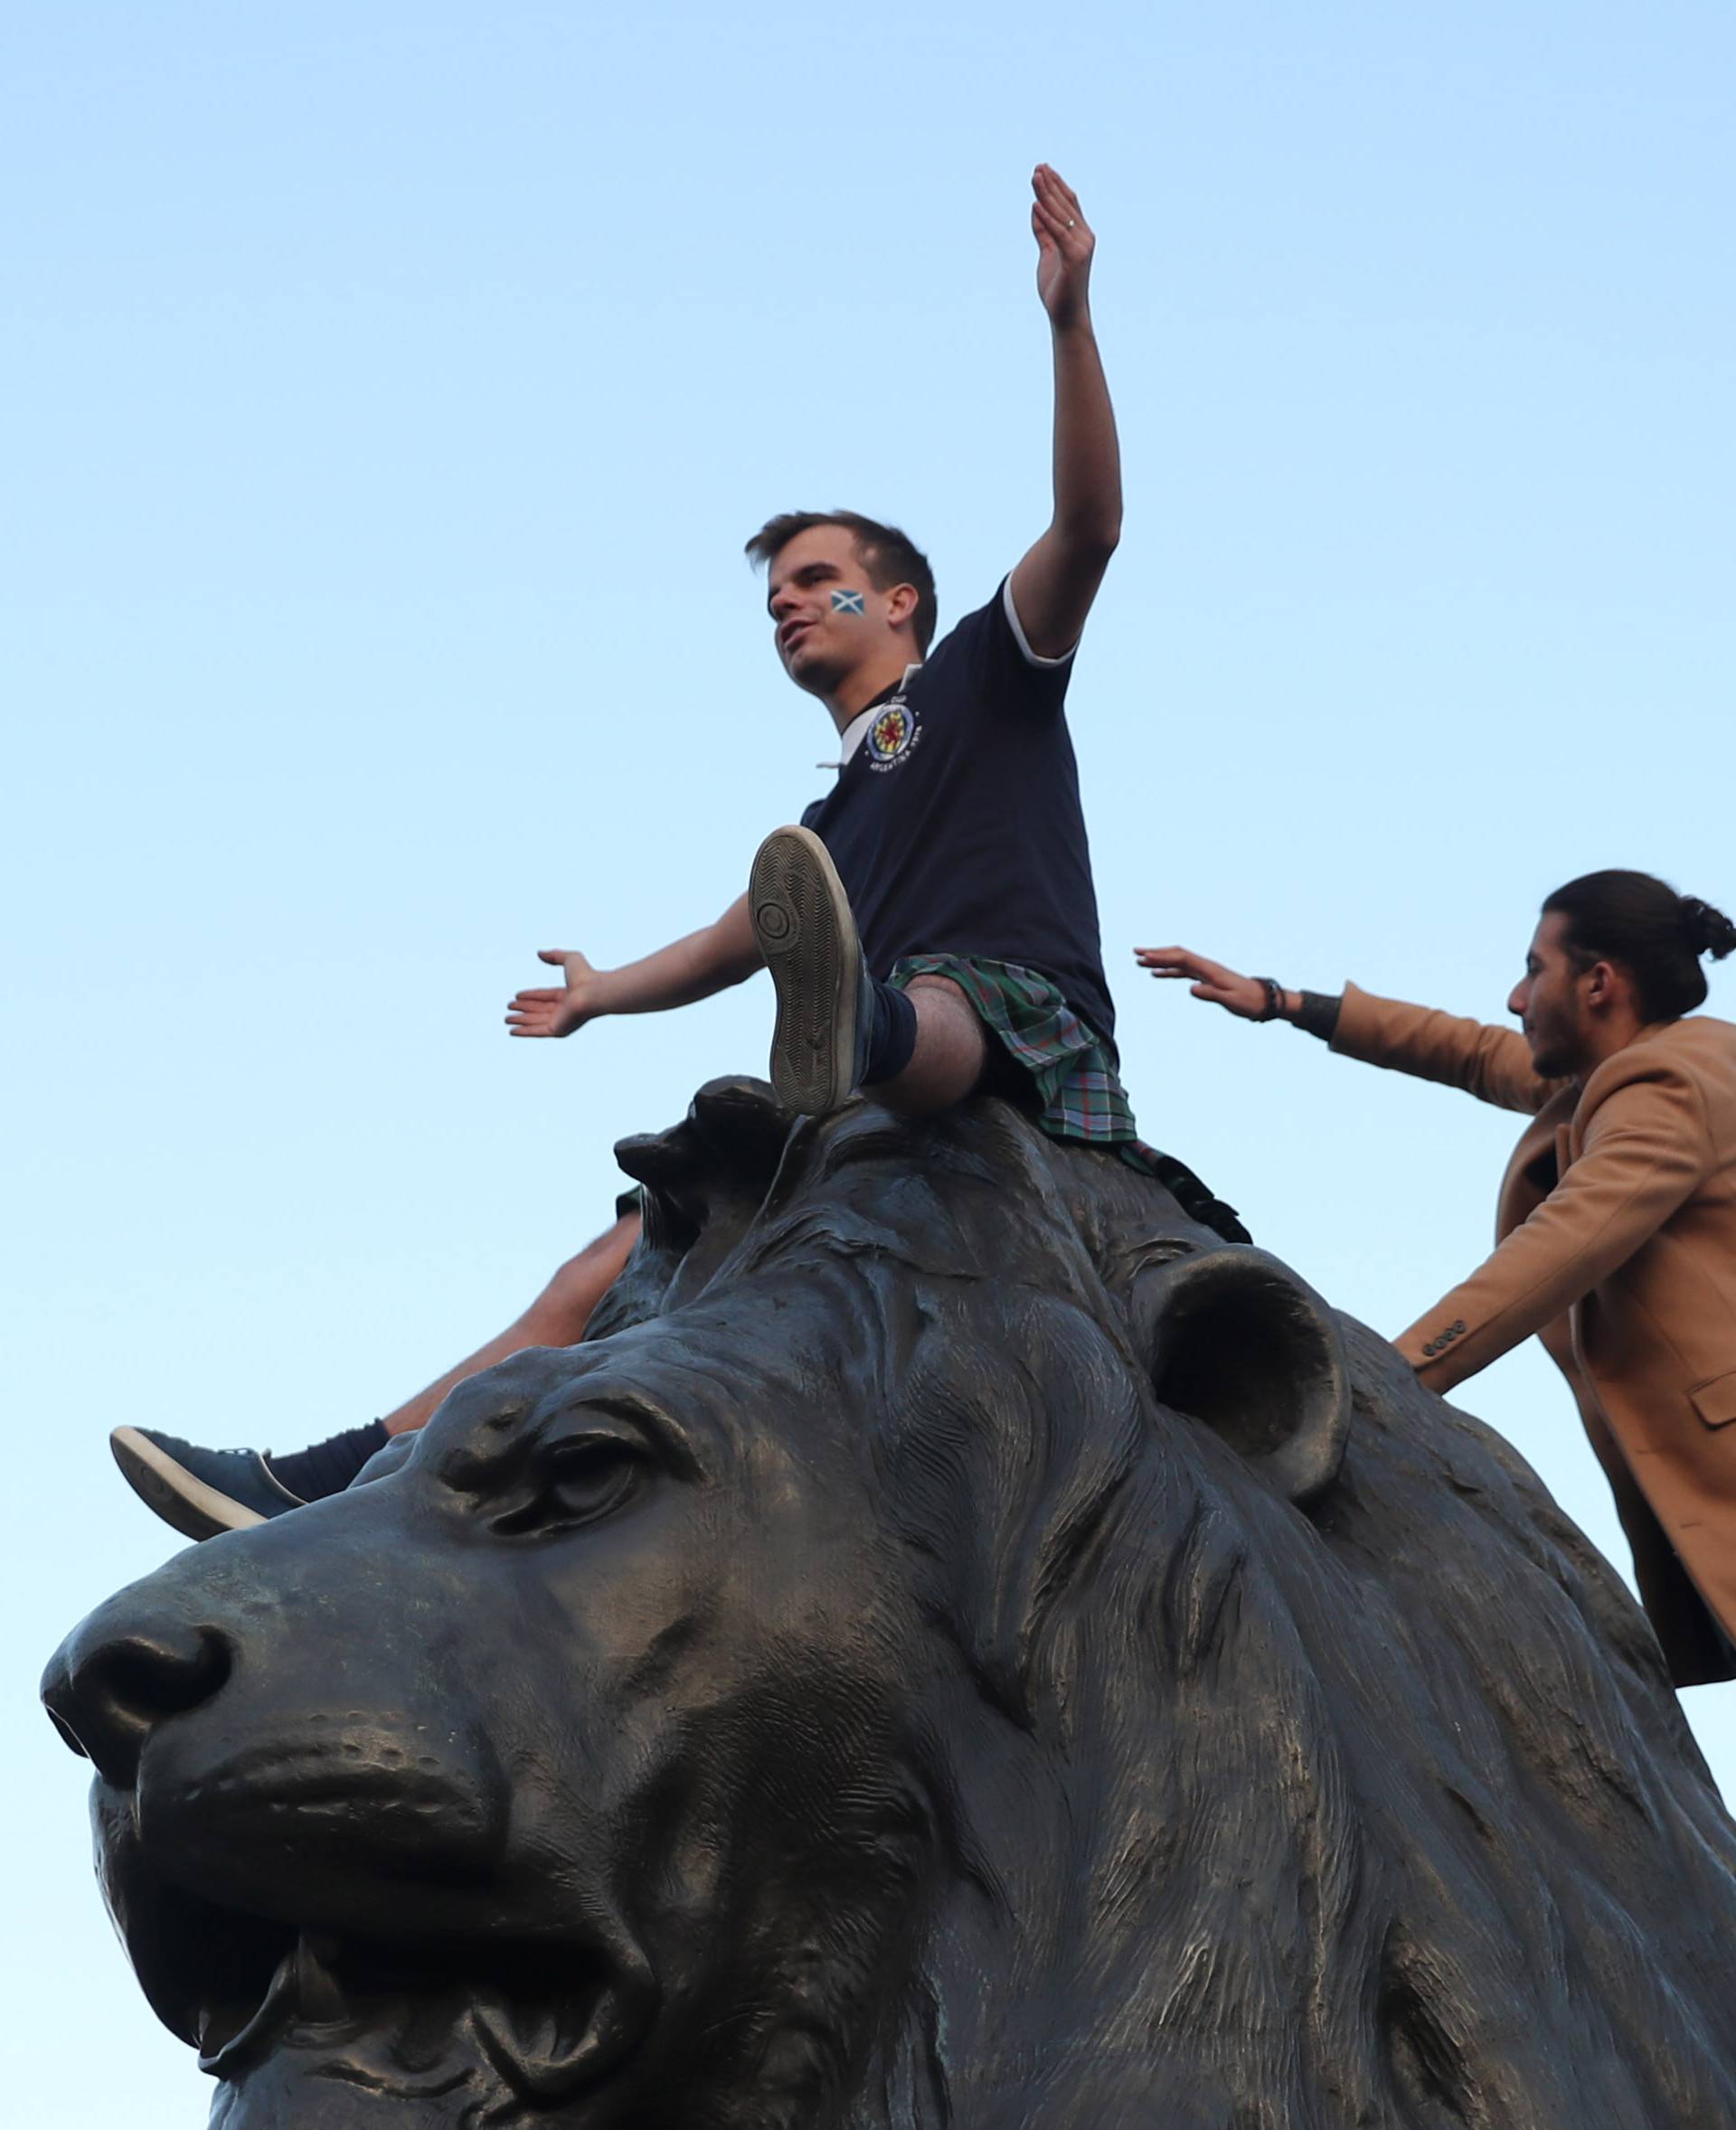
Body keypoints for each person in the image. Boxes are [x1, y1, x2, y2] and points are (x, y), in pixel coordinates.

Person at [116, 165, 1237, 1547]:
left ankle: (869, 1028)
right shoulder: (822, 833)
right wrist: (599, 993)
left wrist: (1069, 325)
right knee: (599, 1269)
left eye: (813, 579)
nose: (784, 604)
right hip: (842, 1105)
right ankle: (325, 1484)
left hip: (997, 1020)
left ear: (897, 599)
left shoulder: (983, 672)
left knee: (945, 1001)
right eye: (770, 595)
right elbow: (725, 946)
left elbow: (1090, 527)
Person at [1138, 872, 1736, 1684]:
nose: (1517, 999)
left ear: (1599, 984)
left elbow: (1561, 1247)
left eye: (1535, 968)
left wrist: (1381, 1376)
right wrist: (1286, 1002)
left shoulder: (1666, 1086)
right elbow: (1471, 1051)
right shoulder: (1629, 1069)